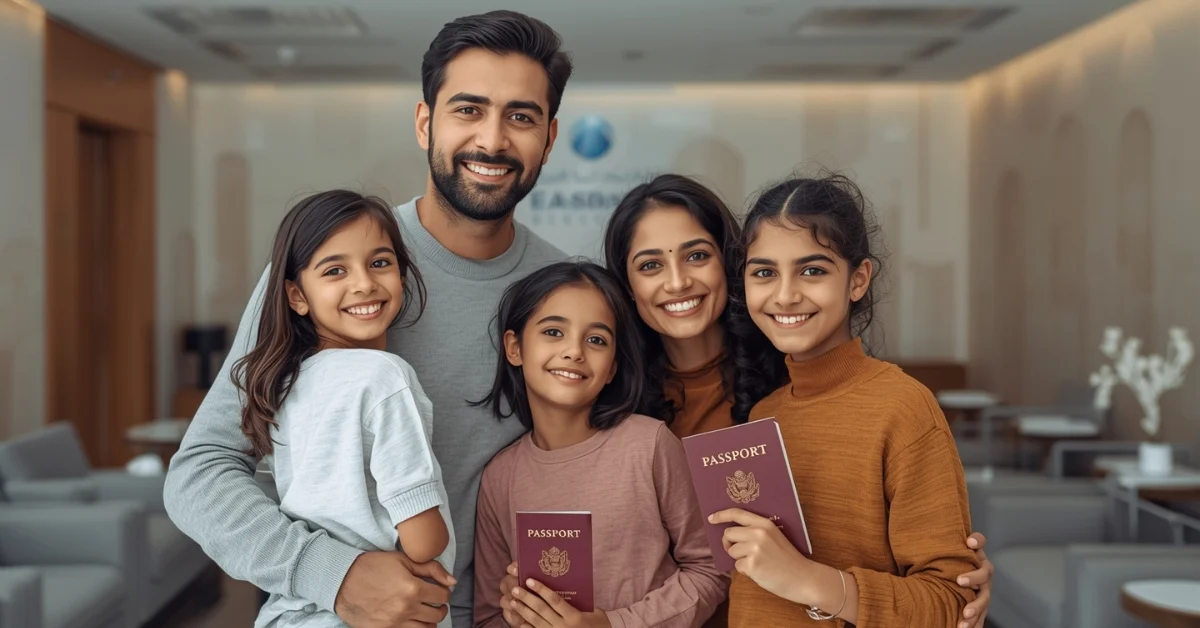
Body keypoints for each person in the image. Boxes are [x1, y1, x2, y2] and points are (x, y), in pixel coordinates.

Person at [164, 11, 572, 628]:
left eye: (521, 116)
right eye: (468, 109)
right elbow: (201, 472)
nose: (492, 140)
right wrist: (333, 574)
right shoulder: (335, 272)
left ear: (550, 136)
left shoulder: (566, 293)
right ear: (424, 122)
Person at [709, 173, 979, 626]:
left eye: (812, 270)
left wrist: (807, 580)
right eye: (764, 273)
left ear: (858, 280)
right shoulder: (763, 413)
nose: (785, 294)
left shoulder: (904, 408)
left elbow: (950, 605)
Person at [235, 190, 454, 627]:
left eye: (379, 263)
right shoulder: (384, 377)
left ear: (402, 275)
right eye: (336, 270)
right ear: (297, 296)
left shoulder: (283, 383)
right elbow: (424, 541)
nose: (364, 283)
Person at [472, 262, 727, 628]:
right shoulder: (500, 477)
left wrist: (613, 624)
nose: (574, 351)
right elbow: (488, 617)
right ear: (515, 348)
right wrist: (517, 614)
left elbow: (711, 569)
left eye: (596, 340)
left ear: (611, 368)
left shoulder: (649, 444)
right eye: (554, 332)